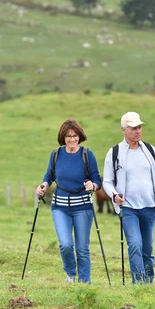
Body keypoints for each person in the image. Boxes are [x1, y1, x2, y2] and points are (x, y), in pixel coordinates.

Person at [102, 112, 155, 284]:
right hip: (128, 208)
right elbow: (107, 181)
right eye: (133, 128)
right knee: (135, 245)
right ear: (123, 130)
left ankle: (148, 282)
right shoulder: (115, 152)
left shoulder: (150, 150)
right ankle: (139, 283)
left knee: (147, 249)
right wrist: (114, 195)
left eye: (139, 127)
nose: (138, 131)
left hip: (149, 206)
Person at [36, 119, 102, 284]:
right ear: (63, 138)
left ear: (80, 136)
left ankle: (85, 283)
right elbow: (48, 176)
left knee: (82, 249)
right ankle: (71, 274)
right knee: (65, 244)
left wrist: (92, 185)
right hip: (60, 207)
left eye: (75, 136)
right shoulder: (56, 154)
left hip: (83, 207)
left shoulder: (87, 154)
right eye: (68, 136)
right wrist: (43, 186)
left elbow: (97, 180)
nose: (72, 139)